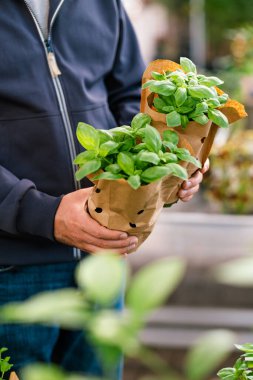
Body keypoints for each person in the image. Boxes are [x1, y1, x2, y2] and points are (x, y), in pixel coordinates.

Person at [0, 1, 208, 379]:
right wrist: (38, 211)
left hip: (102, 264)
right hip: (10, 271)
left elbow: (130, 97)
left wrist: (170, 162)